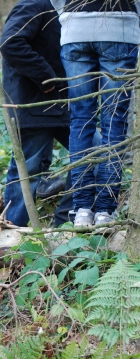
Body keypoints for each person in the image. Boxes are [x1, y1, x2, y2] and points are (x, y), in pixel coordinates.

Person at [50, 0, 140, 227]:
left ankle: (81, 209)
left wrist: (68, 14)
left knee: (80, 120)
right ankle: (104, 210)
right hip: (119, 27)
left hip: (75, 29)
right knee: (114, 121)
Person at [0, 0, 73, 227]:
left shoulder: (66, 8)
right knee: (28, 171)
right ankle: (13, 235)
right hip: (33, 104)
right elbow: (11, 43)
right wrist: (45, 76)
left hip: (60, 104)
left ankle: (63, 223)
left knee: (95, 153)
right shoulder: (34, 4)